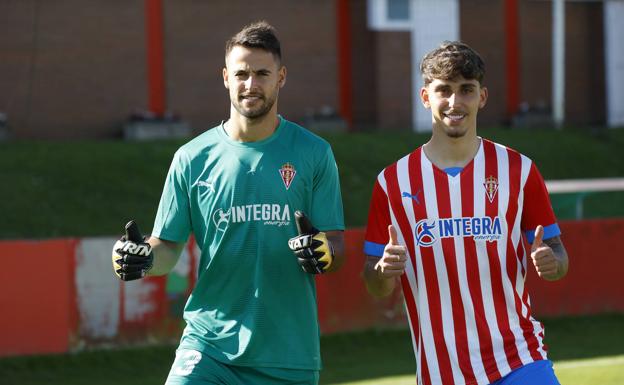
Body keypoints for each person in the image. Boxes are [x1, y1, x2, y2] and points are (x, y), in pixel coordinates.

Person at [111, 21, 345, 385]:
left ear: (281, 77)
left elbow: (335, 243)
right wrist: (143, 258)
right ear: (225, 77)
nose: (251, 84)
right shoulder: (192, 157)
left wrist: (325, 251)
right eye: (241, 74)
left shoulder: (314, 153)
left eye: (262, 73)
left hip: (287, 354)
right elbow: (169, 246)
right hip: (208, 346)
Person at [362, 41, 569, 385]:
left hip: (519, 357)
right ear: (426, 97)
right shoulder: (392, 181)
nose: (455, 103)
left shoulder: (518, 170)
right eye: (444, 90)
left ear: (482, 97)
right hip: (442, 372)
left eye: (466, 90)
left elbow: (558, 255)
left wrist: (553, 262)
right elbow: (375, 283)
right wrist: (384, 271)